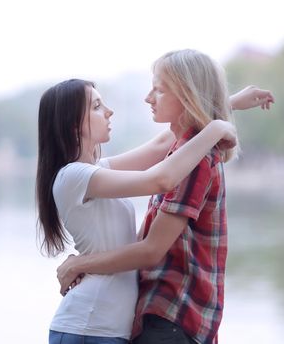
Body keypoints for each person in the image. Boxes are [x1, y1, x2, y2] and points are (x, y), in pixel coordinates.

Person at [55, 50, 274, 344]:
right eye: (97, 106)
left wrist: (223, 109)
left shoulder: (189, 157)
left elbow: (164, 150)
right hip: (118, 322)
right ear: (73, 124)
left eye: (158, 89)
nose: (110, 111)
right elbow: (159, 178)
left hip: (166, 319)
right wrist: (217, 122)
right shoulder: (80, 175)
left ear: (185, 94)